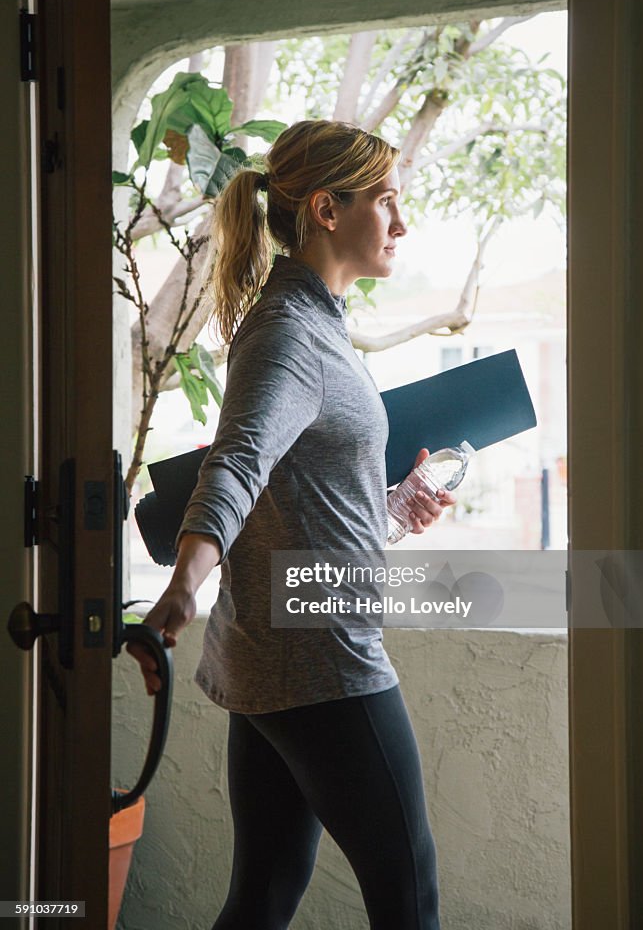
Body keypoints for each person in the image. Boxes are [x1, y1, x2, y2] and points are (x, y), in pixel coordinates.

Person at [129, 119, 455, 929]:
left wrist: (390, 508)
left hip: (276, 656)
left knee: (264, 894)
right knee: (407, 897)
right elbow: (235, 464)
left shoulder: (313, 325)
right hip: (322, 661)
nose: (402, 221)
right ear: (326, 208)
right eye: (386, 200)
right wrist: (183, 585)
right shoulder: (288, 333)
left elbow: (295, 497)